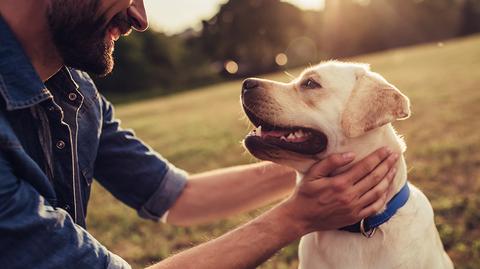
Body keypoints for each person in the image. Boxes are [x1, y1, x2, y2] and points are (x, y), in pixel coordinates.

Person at [0, 1, 399, 268]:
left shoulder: (77, 93)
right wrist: (295, 217)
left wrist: (337, 164)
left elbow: (178, 196)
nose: (140, 17)